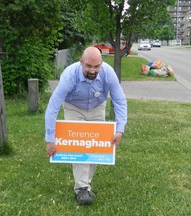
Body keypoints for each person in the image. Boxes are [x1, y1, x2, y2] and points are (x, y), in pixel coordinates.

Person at [45, 47, 127, 205]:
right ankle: (82, 188)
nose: (92, 70)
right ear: (81, 62)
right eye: (88, 66)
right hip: (73, 107)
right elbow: (53, 106)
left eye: (96, 66)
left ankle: (85, 185)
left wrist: (120, 129)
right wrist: (50, 139)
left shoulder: (108, 73)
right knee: (81, 144)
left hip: (97, 107)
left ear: (101, 64)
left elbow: (120, 100)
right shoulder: (69, 75)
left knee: (94, 145)